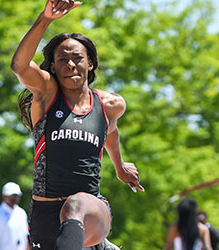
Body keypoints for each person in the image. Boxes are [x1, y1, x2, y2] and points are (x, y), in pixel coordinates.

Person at [10, 0, 144, 249]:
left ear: (90, 63)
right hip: (45, 214)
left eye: (77, 58)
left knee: (76, 205)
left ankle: (97, 244)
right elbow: (19, 65)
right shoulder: (47, 94)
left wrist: (119, 167)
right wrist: (45, 18)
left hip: (92, 208)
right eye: (62, 59)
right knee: (67, 220)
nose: (70, 64)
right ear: (52, 66)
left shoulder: (109, 104)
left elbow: (110, 133)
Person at [0, 182, 30, 250]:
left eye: (16, 195)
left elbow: (25, 238)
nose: (14, 198)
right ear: (4, 196)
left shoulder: (22, 213)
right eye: (11, 195)